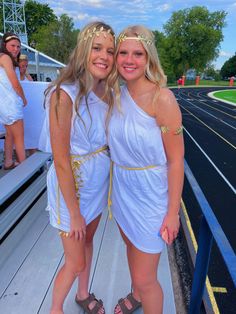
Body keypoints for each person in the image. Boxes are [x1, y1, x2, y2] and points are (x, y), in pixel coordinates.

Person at [40, 21, 116, 314]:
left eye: (110, 51)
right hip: (72, 188)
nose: (105, 56)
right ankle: (55, 309)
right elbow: (60, 159)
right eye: (97, 48)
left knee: (88, 243)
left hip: (96, 184)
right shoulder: (64, 94)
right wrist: (74, 214)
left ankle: (83, 294)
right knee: (75, 261)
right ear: (84, 50)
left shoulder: (106, 93)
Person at [108, 25, 184, 314]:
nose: (129, 60)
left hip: (151, 194)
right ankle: (136, 294)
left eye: (137, 54)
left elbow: (176, 160)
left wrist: (172, 212)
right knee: (131, 248)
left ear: (149, 58)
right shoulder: (116, 95)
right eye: (123, 53)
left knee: (147, 276)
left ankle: (142, 291)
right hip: (123, 190)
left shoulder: (162, 99)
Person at [0, 32, 27, 169]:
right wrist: (24, 98)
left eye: (18, 46)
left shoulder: (4, 58)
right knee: (19, 139)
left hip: (5, 105)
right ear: (4, 45)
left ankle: (8, 162)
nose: (16, 49)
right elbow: (15, 83)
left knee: (10, 135)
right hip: (11, 105)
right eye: (12, 46)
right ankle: (26, 171)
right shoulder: (5, 58)